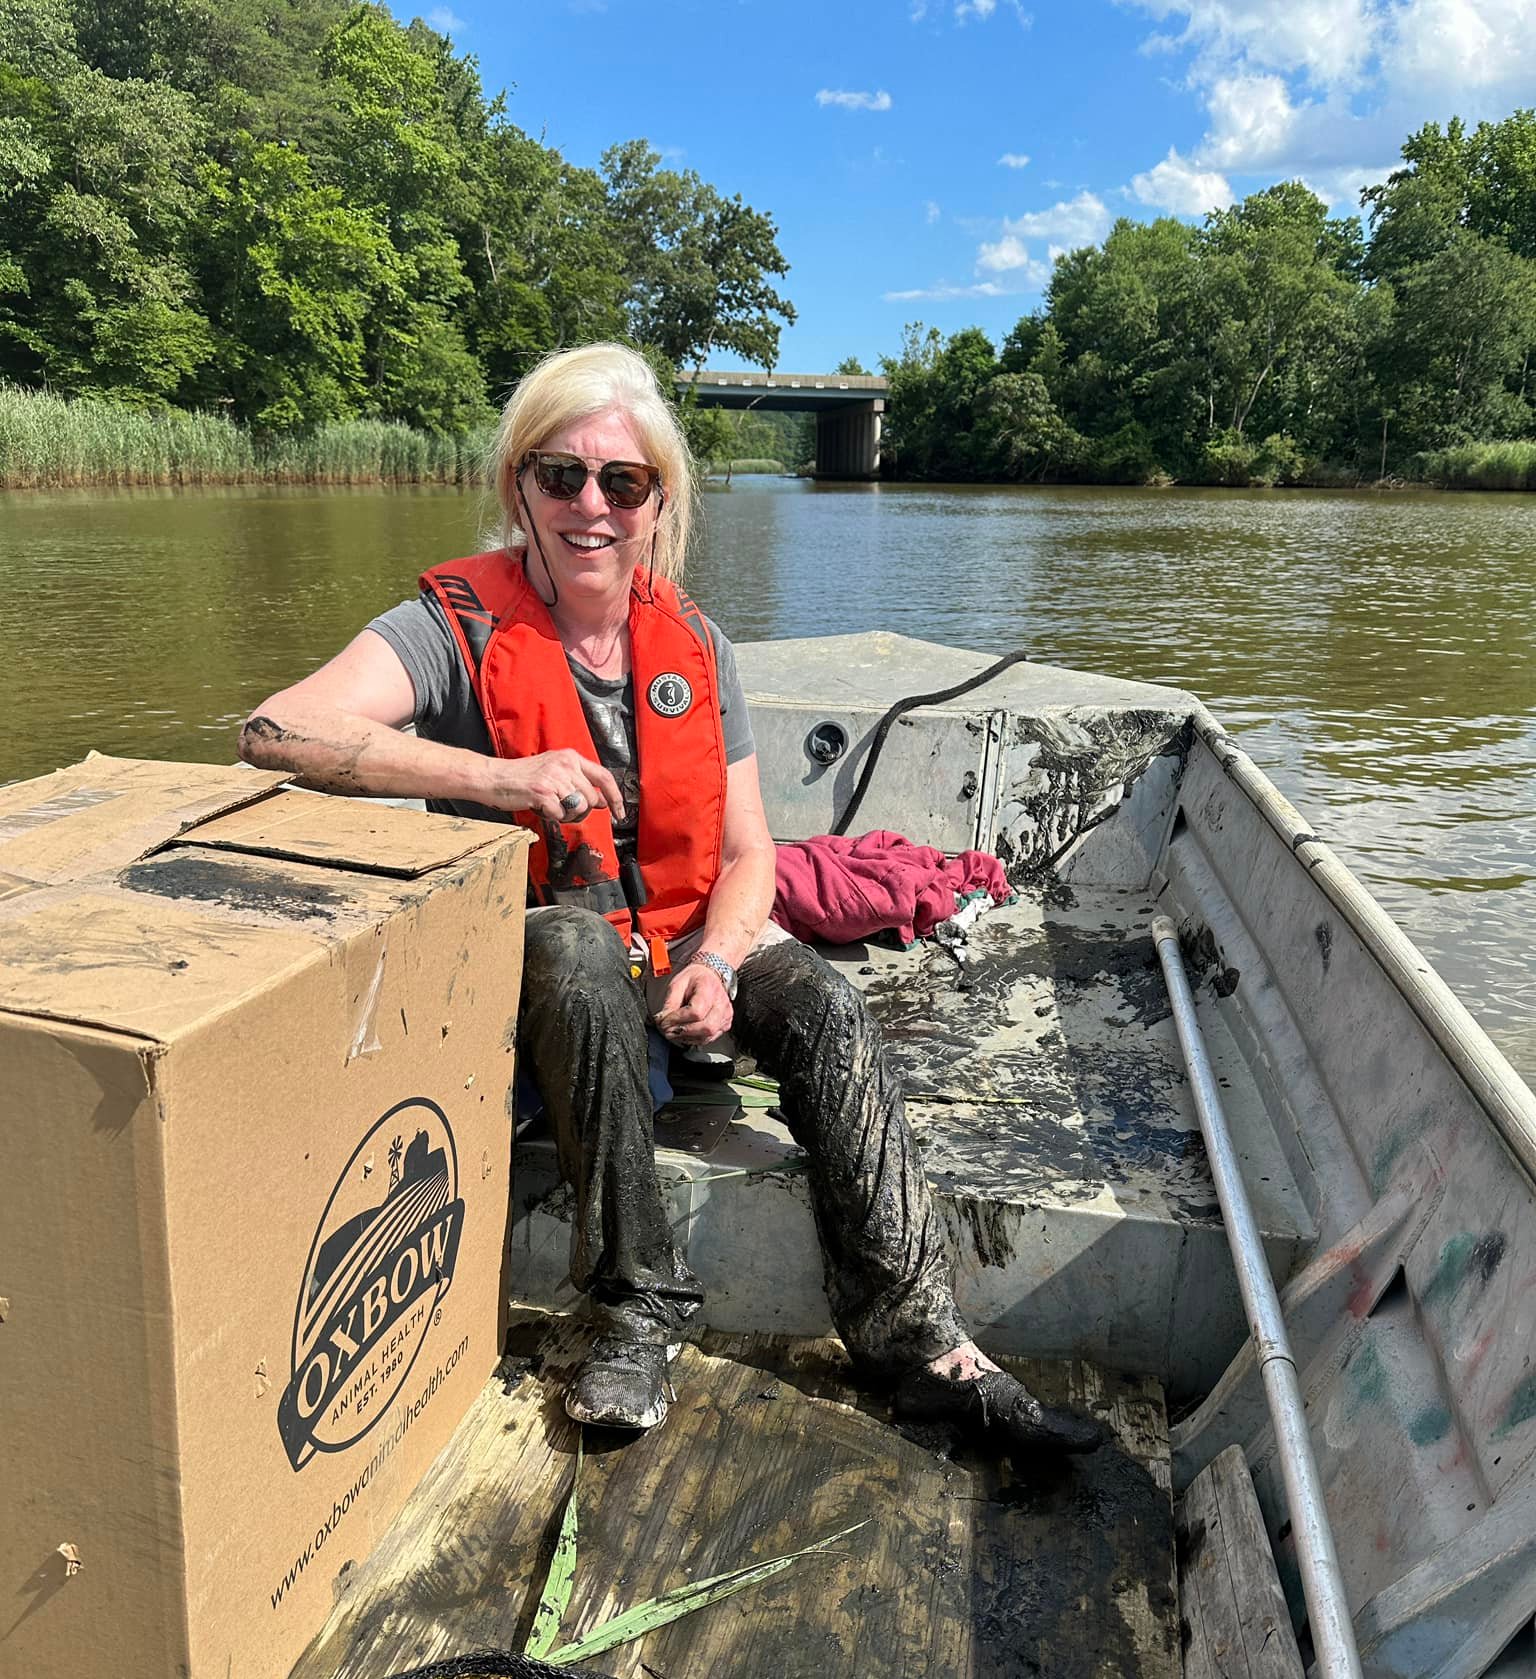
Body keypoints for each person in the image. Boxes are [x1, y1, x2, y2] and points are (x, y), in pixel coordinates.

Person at [239, 343, 1101, 1456]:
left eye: (623, 482)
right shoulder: (451, 628)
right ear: (520, 488)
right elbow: (275, 731)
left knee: (827, 1002)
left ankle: (915, 1338)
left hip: (684, 949)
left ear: (658, 505)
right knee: (576, 952)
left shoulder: (695, 641)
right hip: (551, 970)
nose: (590, 504)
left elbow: (749, 854)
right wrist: (496, 777)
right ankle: (634, 1303)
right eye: (561, 476)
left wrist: (722, 961)